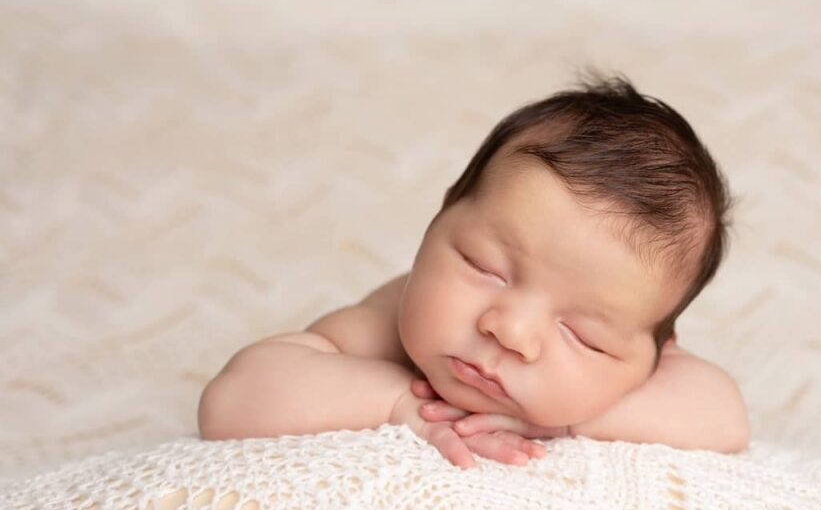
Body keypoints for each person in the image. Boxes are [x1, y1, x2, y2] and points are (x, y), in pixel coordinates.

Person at [197, 74, 750, 469]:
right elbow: (232, 400)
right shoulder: (387, 327)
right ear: (439, 219)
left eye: (584, 335)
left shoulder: (650, 370)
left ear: (660, 348)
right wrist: (397, 403)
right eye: (485, 266)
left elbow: (724, 418)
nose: (509, 331)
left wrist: (563, 422)